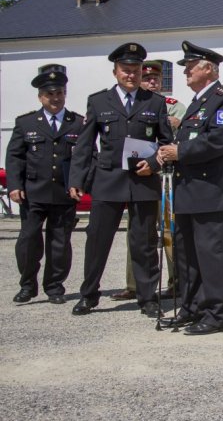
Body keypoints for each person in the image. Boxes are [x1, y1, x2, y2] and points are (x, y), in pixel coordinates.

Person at [68, 42, 173, 317]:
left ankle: (148, 298)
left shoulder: (155, 102)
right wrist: (76, 179)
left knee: (145, 243)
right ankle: (89, 295)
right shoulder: (98, 101)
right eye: (126, 70)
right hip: (108, 179)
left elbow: (166, 142)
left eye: (135, 70)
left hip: (143, 180)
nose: (131, 75)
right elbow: (84, 145)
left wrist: (153, 164)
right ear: (115, 72)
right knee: (97, 241)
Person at [157, 40, 223, 335]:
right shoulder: (197, 103)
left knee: (211, 257)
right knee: (187, 257)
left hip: (211, 193)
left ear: (208, 69)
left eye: (190, 67)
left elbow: (219, 141)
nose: (185, 73)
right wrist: (168, 152)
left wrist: (181, 152)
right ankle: (192, 308)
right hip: (189, 192)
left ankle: (217, 315)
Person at [4, 69, 84, 304]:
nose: (55, 98)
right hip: (33, 193)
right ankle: (28, 285)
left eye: (59, 93)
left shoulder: (77, 123)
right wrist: (14, 185)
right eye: (50, 94)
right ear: (41, 97)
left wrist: (78, 184)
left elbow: (86, 157)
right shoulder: (26, 122)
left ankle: (55, 287)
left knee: (59, 243)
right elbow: (14, 157)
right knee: (28, 242)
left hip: (63, 193)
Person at [112, 60, 186, 301]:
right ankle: (135, 285)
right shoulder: (127, 105)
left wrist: (178, 124)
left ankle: (176, 282)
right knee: (137, 232)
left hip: (167, 179)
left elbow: (187, 136)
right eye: (147, 78)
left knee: (170, 230)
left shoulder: (174, 107)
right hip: (139, 178)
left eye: (156, 78)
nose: (152, 82)